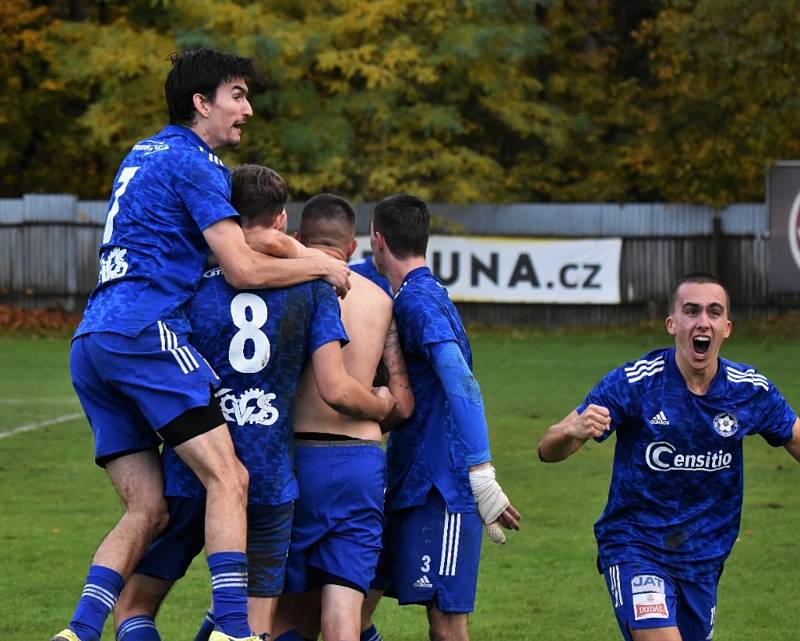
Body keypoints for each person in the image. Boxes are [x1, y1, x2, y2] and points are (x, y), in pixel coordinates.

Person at [57, 48, 349, 641]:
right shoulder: (200, 164)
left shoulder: (141, 153)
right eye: (237, 95)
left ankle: (80, 630)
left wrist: (299, 253)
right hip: (146, 334)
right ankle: (234, 629)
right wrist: (322, 266)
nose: (247, 109)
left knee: (148, 509)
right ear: (201, 102)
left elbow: (246, 241)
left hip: (92, 340)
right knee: (230, 479)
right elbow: (242, 266)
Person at [112, 168, 396, 641]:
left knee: (133, 604)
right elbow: (333, 384)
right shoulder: (314, 285)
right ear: (282, 220)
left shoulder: (191, 277)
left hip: (194, 465)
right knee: (254, 623)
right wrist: (385, 405)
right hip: (267, 472)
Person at [537, 273, 800, 641]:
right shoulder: (634, 382)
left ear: (727, 327)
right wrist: (570, 431)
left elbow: (796, 437)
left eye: (713, 312)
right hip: (636, 546)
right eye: (691, 311)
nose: (702, 321)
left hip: (704, 557)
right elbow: (547, 449)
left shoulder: (749, 390)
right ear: (672, 324)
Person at [362, 194, 521, 641]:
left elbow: (461, 383)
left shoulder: (419, 303)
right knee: (349, 615)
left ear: (378, 239)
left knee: (446, 627)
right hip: (405, 481)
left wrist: (480, 472)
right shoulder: (414, 294)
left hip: (442, 488)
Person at [269, 194, 414, 641]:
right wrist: (378, 409)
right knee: (343, 617)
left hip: (295, 460)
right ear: (352, 246)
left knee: (280, 614)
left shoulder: (278, 288)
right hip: (361, 464)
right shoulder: (380, 299)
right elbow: (403, 403)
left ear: (297, 238)